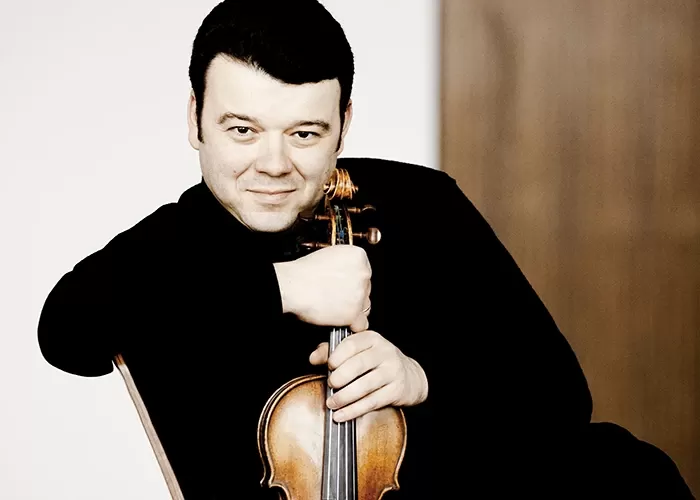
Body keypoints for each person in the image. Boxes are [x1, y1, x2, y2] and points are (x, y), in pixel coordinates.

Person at [38, 1, 694, 498]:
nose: (273, 163)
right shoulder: (175, 243)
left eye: (304, 132)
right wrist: (283, 288)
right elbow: (66, 331)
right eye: (242, 129)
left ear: (343, 125)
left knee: (625, 470)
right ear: (195, 121)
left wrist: (421, 378)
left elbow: (557, 397)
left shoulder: (421, 203)